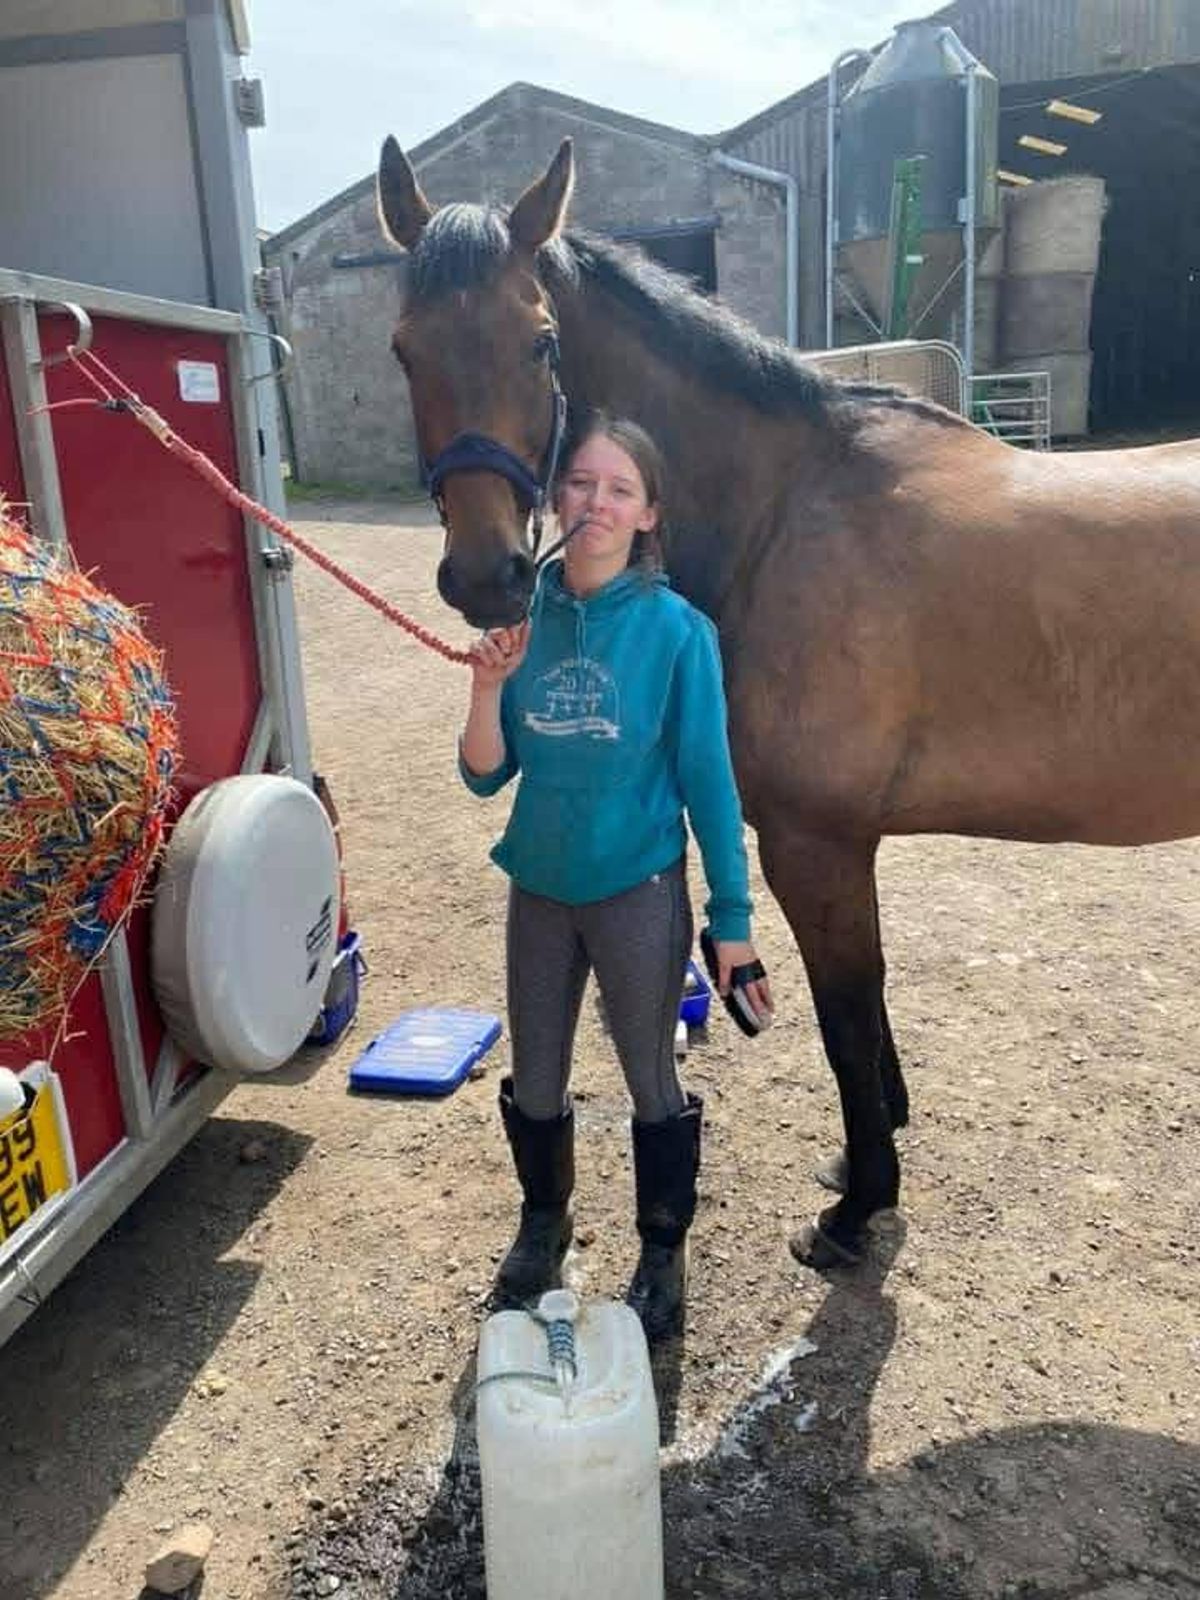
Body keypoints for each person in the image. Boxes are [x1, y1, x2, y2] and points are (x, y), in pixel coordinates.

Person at [458, 414, 772, 1341]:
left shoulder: (681, 633)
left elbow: (710, 785)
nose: (597, 503)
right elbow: (484, 774)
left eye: (620, 489)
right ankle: (542, 1222)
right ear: (557, 497)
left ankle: (662, 1246)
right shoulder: (522, 620)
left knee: (650, 1076)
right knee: (539, 1072)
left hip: (638, 887)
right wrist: (484, 688)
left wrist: (733, 918)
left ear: (649, 514)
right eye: (583, 483)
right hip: (540, 889)